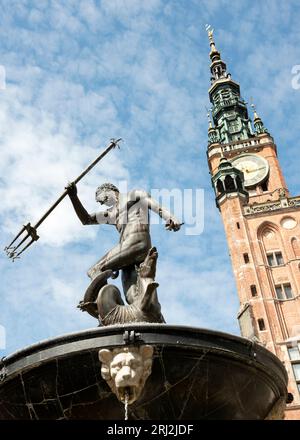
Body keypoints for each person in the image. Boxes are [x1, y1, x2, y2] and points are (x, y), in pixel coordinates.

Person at [66, 182, 181, 303]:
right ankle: (123, 312)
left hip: (137, 241)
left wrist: (170, 217)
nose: (100, 203)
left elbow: (155, 205)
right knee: (132, 297)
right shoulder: (111, 213)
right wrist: (73, 197)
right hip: (127, 251)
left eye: (101, 199)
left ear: (108, 190)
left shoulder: (134, 195)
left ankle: (98, 302)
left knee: (95, 270)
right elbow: (86, 219)